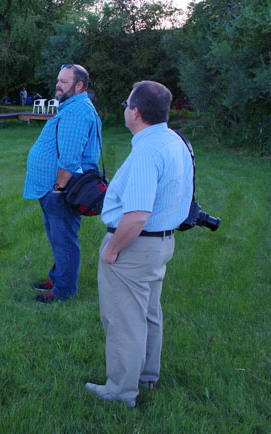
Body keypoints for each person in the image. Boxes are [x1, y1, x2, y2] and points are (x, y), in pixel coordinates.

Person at [85, 81, 194, 408]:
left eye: (126, 104)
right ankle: (147, 373)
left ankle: (120, 391)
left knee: (123, 322)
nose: (125, 109)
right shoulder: (175, 140)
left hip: (134, 245)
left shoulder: (147, 150)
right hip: (160, 244)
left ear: (135, 111)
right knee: (148, 313)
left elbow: (136, 216)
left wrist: (112, 249)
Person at [23, 64, 102, 303]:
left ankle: (64, 291)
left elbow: (69, 159)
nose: (58, 85)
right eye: (58, 80)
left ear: (79, 86)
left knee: (64, 239)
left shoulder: (77, 112)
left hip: (61, 189)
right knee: (58, 238)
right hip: (53, 188)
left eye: (64, 82)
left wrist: (58, 189)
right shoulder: (70, 107)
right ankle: (59, 277)